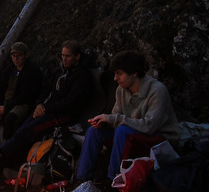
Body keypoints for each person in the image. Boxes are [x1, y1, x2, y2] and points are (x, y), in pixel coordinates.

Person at [0, 40, 93, 171]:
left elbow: (70, 102)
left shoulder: (82, 76)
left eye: (68, 56)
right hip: (45, 109)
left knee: (27, 131)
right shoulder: (59, 72)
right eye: (62, 55)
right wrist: (39, 104)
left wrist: (45, 108)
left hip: (62, 115)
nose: (64, 59)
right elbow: (46, 89)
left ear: (77, 56)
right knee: (22, 130)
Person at [76, 50, 180, 182]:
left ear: (134, 72)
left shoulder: (157, 91)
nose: (115, 78)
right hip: (131, 134)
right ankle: (83, 180)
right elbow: (116, 116)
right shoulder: (121, 90)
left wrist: (114, 119)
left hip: (159, 139)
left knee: (122, 131)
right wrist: (105, 122)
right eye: (115, 74)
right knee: (94, 131)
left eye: (119, 74)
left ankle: (114, 178)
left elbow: (150, 126)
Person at [0, 42, 42, 152]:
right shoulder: (10, 69)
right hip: (4, 103)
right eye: (13, 56)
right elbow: (0, 89)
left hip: (21, 104)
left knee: (10, 119)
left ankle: (6, 152)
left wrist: (6, 108)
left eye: (19, 55)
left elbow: (26, 96)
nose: (16, 58)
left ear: (26, 55)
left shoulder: (32, 71)